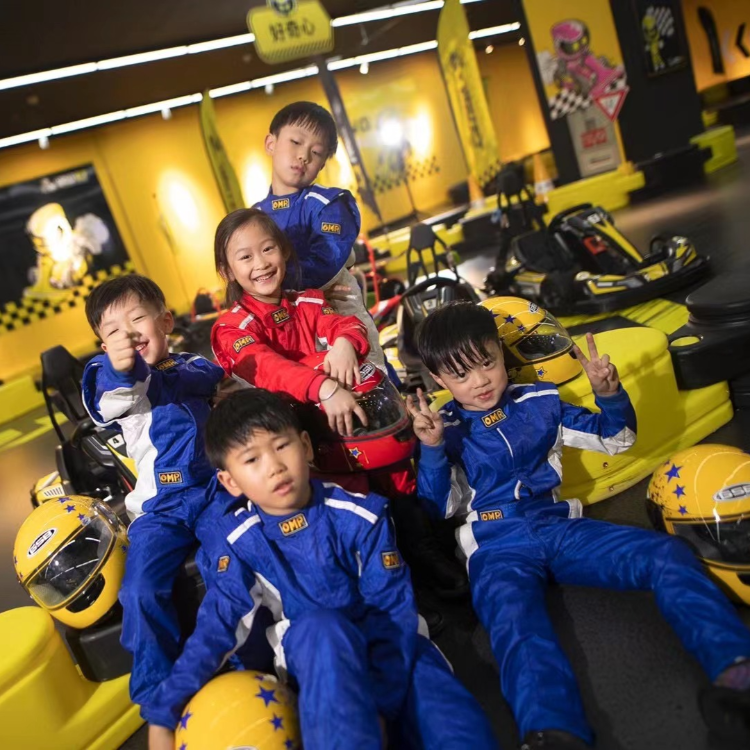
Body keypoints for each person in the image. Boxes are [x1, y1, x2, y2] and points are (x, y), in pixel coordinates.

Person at [407, 302, 750, 750]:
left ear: (500, 354)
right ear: (438, 380)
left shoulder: (541, 402)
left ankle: (736, 673)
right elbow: (437, 507)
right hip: (494, 545)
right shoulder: (443, 429)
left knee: (665, 553)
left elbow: (617, 438)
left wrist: (609, 394)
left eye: (487, 362)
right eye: (461, 374)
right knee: (515, 623)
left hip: (558, 527)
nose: (480, 381)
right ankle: (554, 734)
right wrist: (432, 450)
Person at [146, 389, 499, 750]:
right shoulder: (239, 540)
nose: (274, 466)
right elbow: (217, 625)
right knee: (322, 627)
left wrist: (381, 702)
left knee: (450, 720)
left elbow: (393, 610)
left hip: (394, 647)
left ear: (306, 446)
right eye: (252, 459)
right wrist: (163, 713)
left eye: (281, 446)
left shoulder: (362, 513)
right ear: (230, 482)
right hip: (317, 655)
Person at [211, 207, 468, 605]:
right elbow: (268, 368)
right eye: (245, 257)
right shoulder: (230, 327)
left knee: (396, 472)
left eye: (268, 249)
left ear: (284, 250)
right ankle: (381, 587)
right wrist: (323, 385)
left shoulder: (308, 300)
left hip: (350, 426)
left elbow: (345, 324)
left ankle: (420, 553)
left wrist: (347, 342)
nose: (260, 263)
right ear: (227, 271)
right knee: (347, 508)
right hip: (300, 445)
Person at [81, 274, 225, 715]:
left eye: (137, 319)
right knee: (140, 591)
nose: (128, 334)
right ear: (104, 345)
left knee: (231, 561)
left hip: (216, 491)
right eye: (113, 330)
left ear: (165, 321)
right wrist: (120, 366)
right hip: (158, 509)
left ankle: (235, 657)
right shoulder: (114, 378)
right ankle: (156, 696)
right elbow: (111, 397)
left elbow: (216, 381)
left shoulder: (195, 367)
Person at [255, 100, 386, 370]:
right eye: (295, 142)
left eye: (316, 152)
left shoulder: (329, 204)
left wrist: (272, 287)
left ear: (322, 164)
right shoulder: (252, 219)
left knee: (367, 384)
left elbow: (325, 263)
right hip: (284, 326)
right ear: (271, 143)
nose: (303, 156)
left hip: (337, 315)